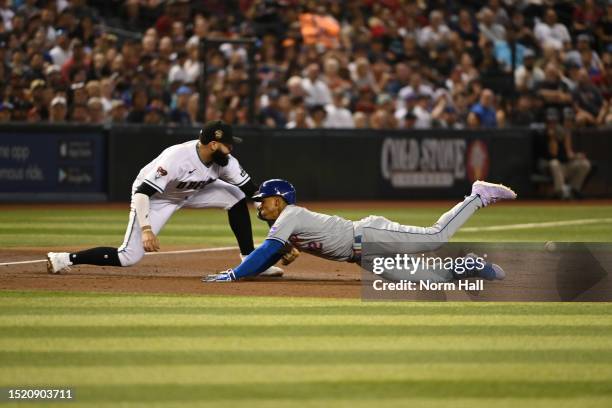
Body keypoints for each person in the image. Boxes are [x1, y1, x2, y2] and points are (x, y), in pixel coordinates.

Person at [46, 121, 283, 277]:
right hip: (157, 198)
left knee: (236, 196)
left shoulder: (226, 162)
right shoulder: (177, 158)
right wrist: (147, 228)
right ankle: (63, 259)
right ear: (213, 144)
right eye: (227, 145)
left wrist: (280, 229)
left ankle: (249, 259)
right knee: (127, 257)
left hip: (192, 191)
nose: (231, 149)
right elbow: (142, 193)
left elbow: (253, 192)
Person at [204, 179, 516, 282]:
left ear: (279, 200)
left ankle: (479, 196)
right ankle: (469, 266)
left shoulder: (290, 215)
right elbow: (282, 253)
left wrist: (235, 274)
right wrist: (283, 261)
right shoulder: (284, 222)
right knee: (429, 281)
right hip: (362, 256)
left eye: (263, 201)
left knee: (436, 236)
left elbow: (267, 251)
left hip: (369, 235)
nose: (258, 205)